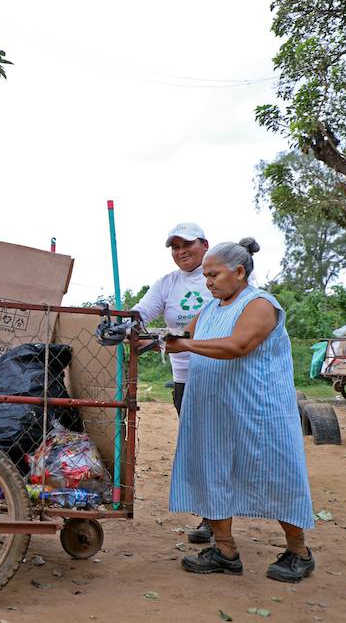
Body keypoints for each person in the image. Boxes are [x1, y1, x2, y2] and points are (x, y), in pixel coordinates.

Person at [166, 238, 315, 583]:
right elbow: (179, 336)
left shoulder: (260, 304)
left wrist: (183, 344)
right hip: (214, 411)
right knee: (213, 471)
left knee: (278, 475)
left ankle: (299, 552)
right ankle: (225, 551)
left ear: (239, 271)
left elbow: (240, 345)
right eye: (205, 276)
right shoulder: (209, 309)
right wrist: (143, 338)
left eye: (214, 274)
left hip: (259, 411)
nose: (208, 282)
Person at [133, 222, 213, 543]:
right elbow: (141, 312)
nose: (181, 252)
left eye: (187, 245)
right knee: (198, 450)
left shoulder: (218, 277)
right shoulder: (167, 284)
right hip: (185, 381)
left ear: (205, 245)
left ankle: (218, 518)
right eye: (175, 247)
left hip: (220, 376)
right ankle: (213, 517)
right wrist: (123, 324)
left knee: (216, 448)